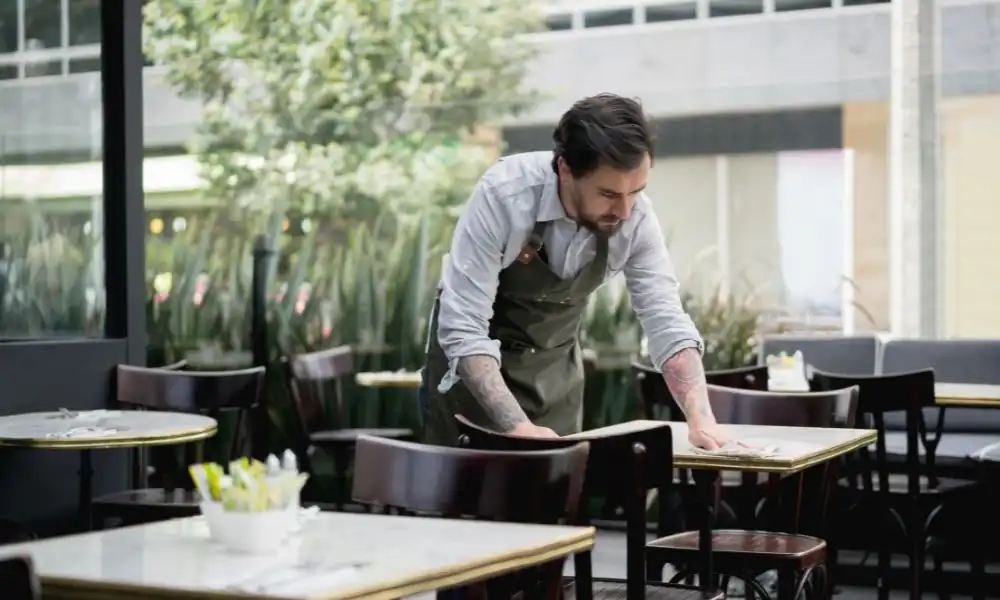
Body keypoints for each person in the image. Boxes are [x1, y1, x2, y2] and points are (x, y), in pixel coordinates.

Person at [422, 93, 732, 450]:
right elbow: (462, 326)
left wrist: (701, 420)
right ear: (565, 169)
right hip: (473, 402)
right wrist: (518, 427)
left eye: (637, 191)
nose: (626, 210)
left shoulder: (636, 218)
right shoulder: (504, 196)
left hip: (556, 388)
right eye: (608, 193)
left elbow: (666, 321)